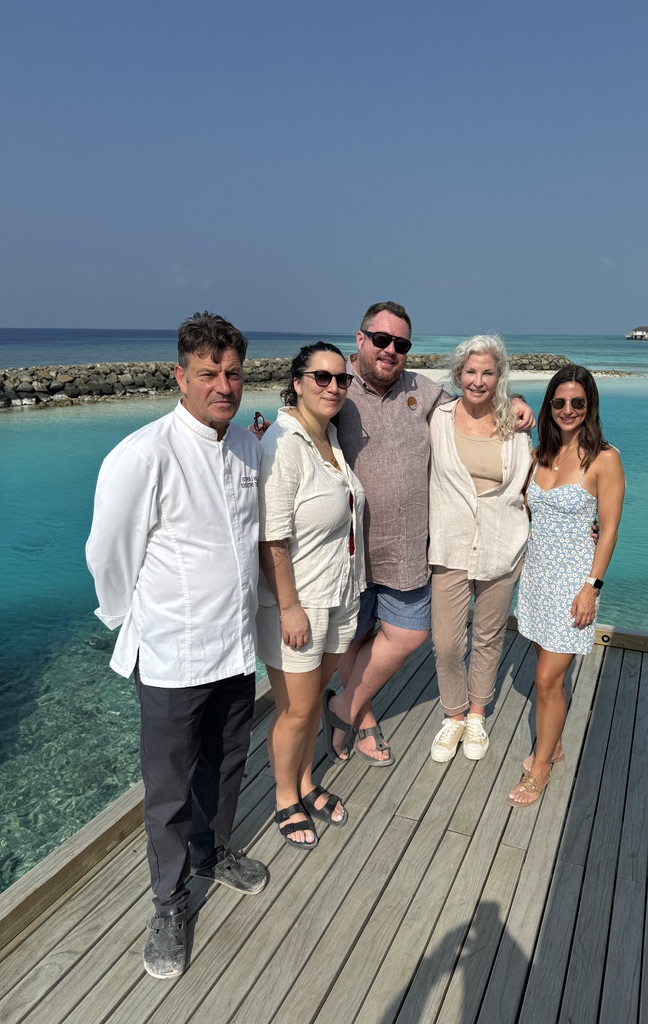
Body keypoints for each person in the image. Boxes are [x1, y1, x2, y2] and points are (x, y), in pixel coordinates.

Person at [85, 312, 267, 980]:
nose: (224, 384)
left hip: (236, 647)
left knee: (224, 766)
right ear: (180, 376)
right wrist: (126, 617)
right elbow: (108, 551)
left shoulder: (249, 446)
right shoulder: (143, 454)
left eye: (233, 372)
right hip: (171, 656)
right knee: (165, 790)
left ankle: (214, 853)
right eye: (210, 373)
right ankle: (168, 902)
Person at [321, 302, 535, 766]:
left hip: (409, 550)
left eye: (401, 344)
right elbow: (301, 425)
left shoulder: (424, 391)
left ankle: (345, 706)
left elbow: (481, 414)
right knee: (350, 640)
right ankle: (362, 716)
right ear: (360, 339)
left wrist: (517, 403)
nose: (391, 350)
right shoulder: (336, 389)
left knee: (411, 633)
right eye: (381, 339)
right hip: (349, 550)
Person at [256, 343, 365, 849]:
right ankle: (284, 798)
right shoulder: (282, 444)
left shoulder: (330, 440)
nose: (332, 387)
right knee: (297, 711)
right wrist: (290, 606)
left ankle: (303, 781)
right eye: (320, 377)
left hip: (339, 594)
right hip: (300, 602)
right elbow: (271, 537)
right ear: (297, 382)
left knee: (307, 704)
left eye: (341, 379)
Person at [508, 365, 625, 807]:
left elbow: (610, 529)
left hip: (574, 584)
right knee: (549, 678)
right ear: (549, 406)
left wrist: (592, 586)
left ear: (590, 405)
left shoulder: (605, 458)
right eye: (559, 402)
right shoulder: (540, 454)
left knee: (544, 682)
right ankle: (553, 744)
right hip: (536, 579)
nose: (568, 410)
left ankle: (541, 767)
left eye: (578, 402)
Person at [427, 335, 532, 762]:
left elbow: (533, 482)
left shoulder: (516, 421)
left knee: (488, 637)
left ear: (499, 376)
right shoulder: (437, 418)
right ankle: (452, 714)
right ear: (458, 374)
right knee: (448, 643)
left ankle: (475, 714)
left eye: (488, 372)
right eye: (471, 371)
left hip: (502, 545)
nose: (478, 380)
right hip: (450, 543)